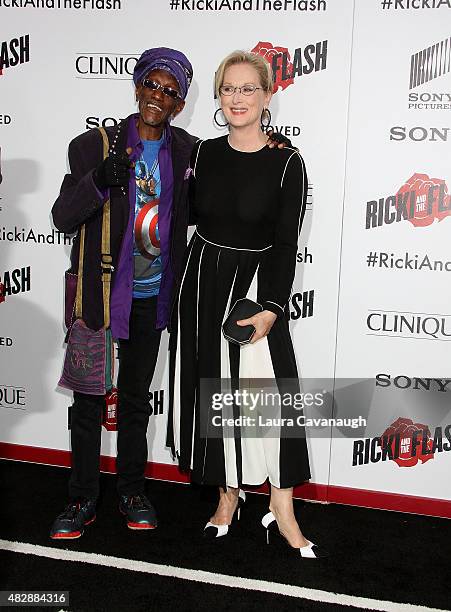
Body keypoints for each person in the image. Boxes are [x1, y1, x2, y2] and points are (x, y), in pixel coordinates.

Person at [50, 47, 288, 540]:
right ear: (137, 87)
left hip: (153, 296)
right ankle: (80, 498)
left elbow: (228, 180)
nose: (159, 97)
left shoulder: (187, 151)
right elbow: (61, 216)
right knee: (89, 403)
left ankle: (132, 491)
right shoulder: (92, 146)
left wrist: (270, 151)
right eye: (152, 86)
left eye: (171, 92)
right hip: (97, 297)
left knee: (136, 399)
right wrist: (97, 182)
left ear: (181, 103)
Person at [168, 51, 327, 558]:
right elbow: (183, 217)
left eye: (247, 89)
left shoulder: (288, 161)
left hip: (255, 289)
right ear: (218, 96)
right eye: (228, 89)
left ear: (266, 96)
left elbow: (286, 243)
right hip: (202, 284)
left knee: (268, 401)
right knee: (213, 392)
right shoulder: (203, 155)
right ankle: (227, 498)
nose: (237, 98)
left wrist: (273, 307)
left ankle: (282, 510)